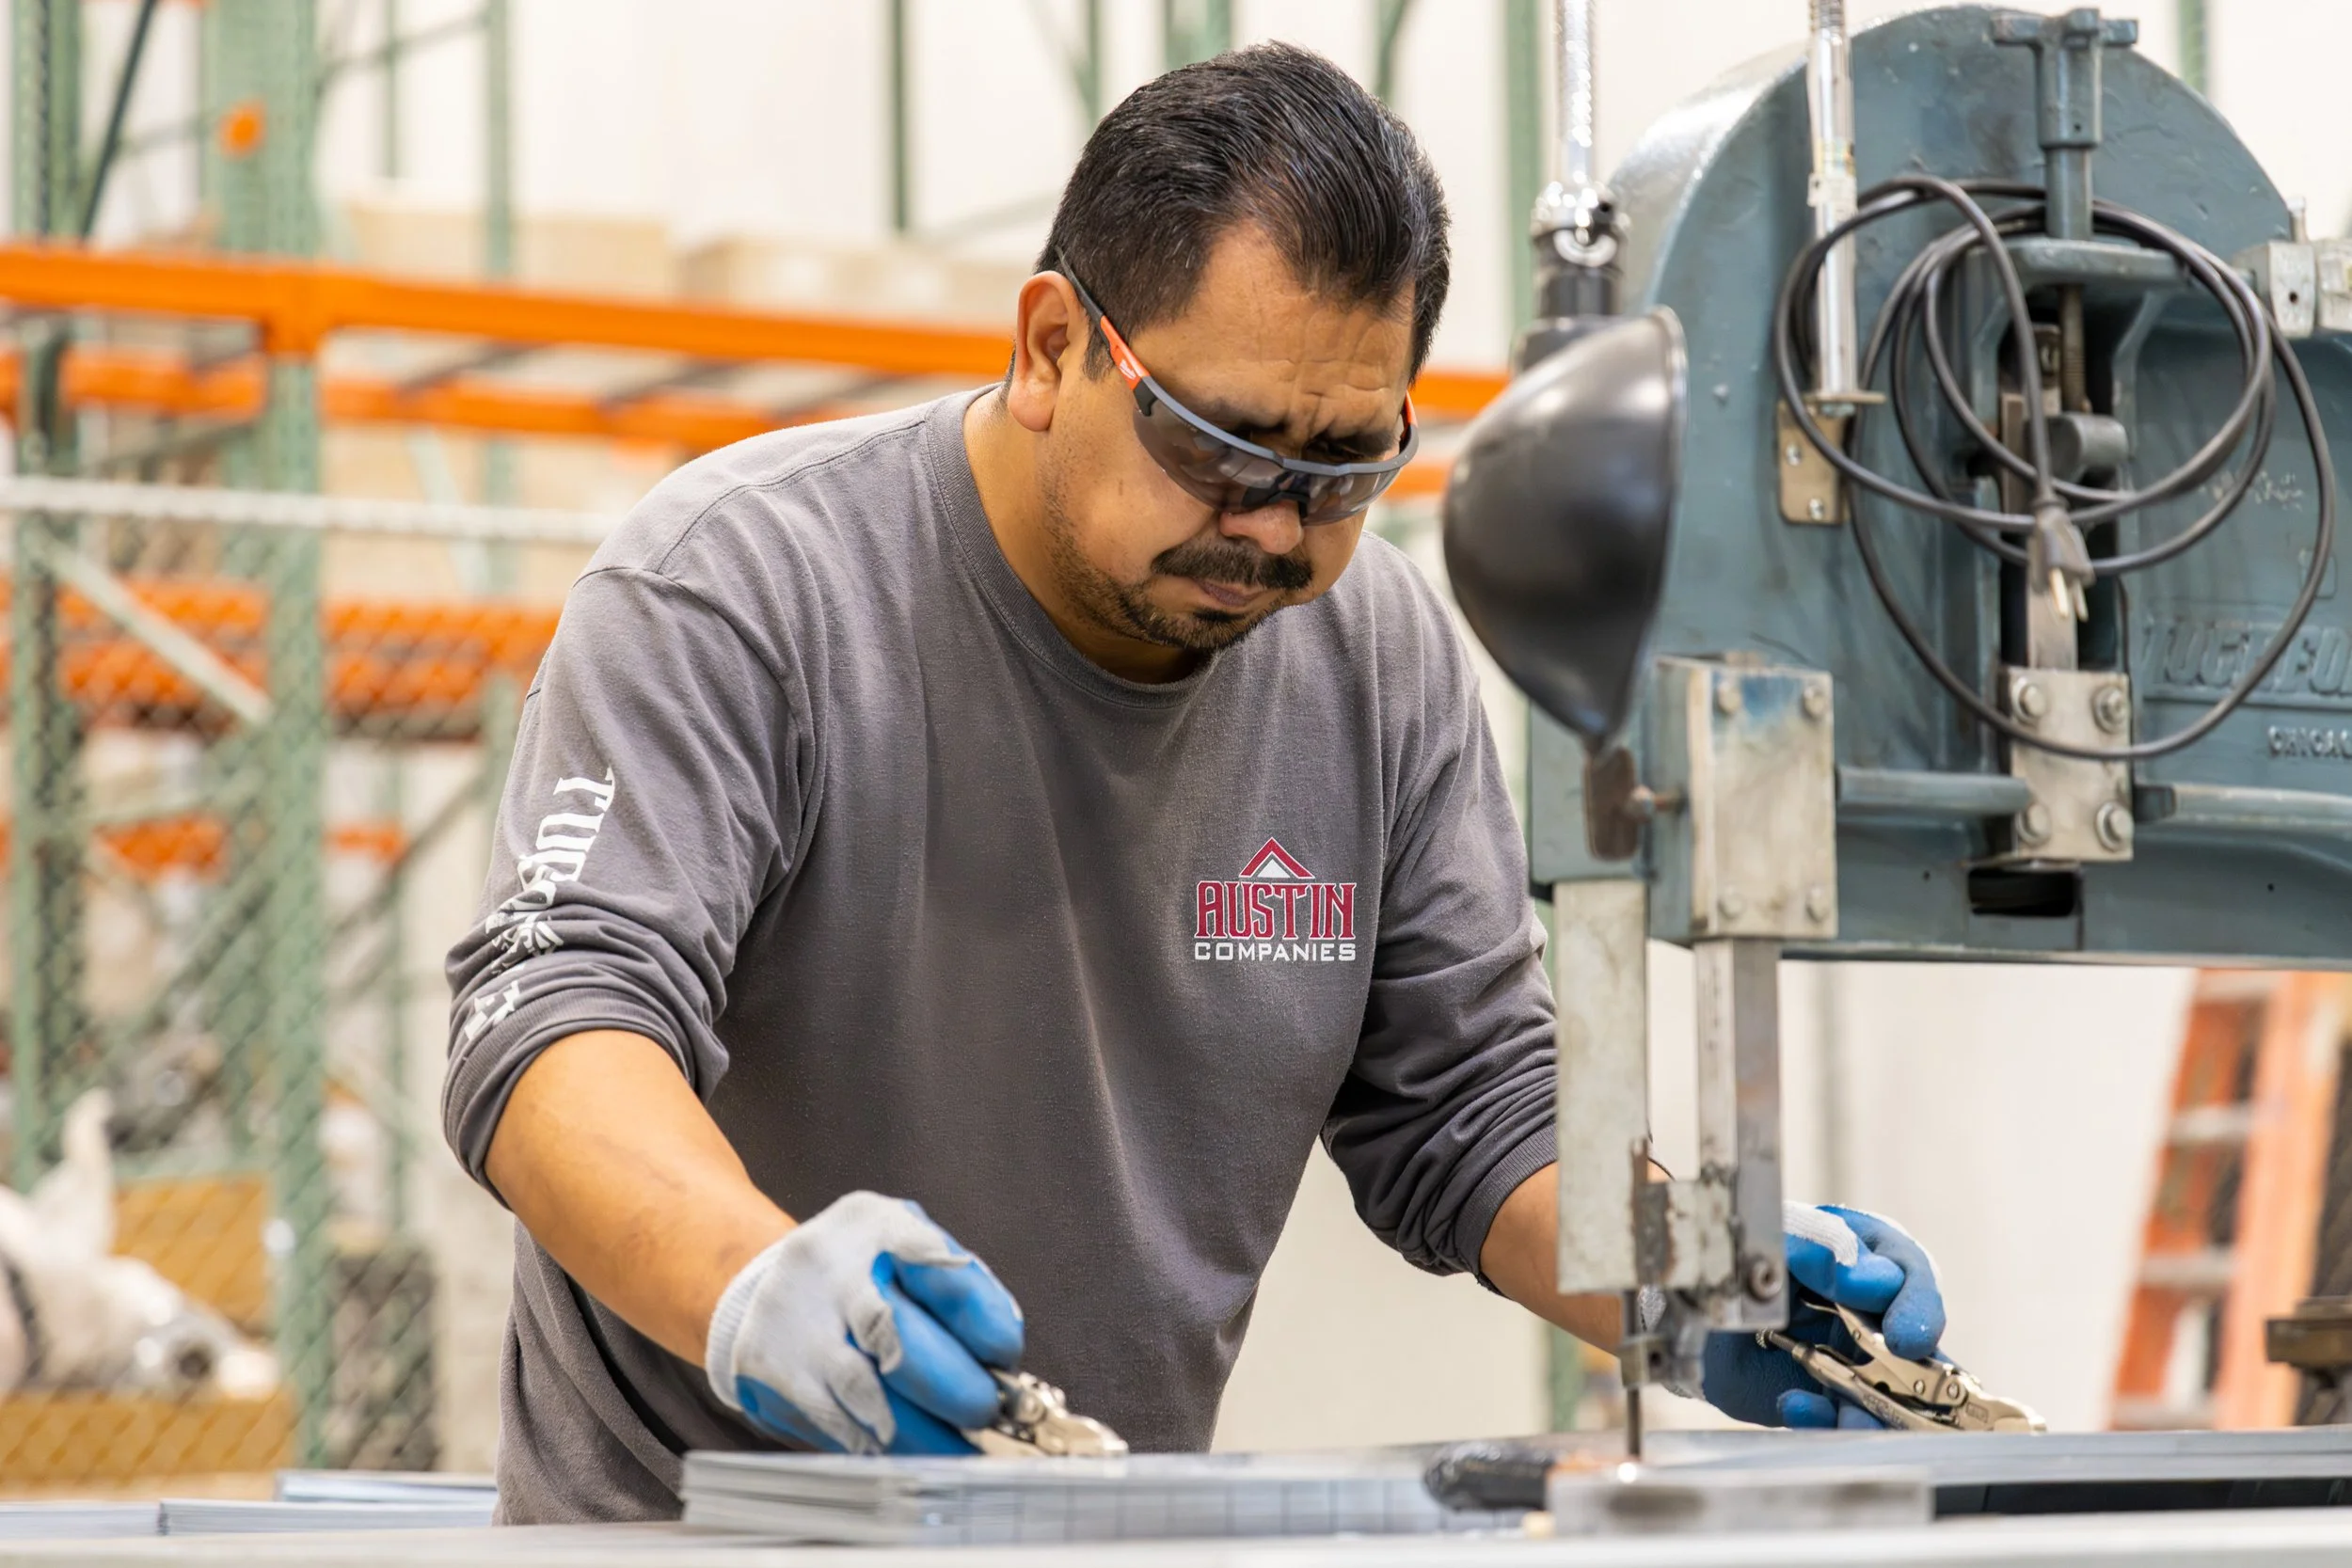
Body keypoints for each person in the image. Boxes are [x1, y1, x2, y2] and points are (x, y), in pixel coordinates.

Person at [443, 42, 1948, 1524]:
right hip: (685, 1538)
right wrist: (749, 1284)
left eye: (1347, 464)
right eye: (1223, 444)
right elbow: (556, 1024)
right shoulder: (743, 589)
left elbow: (1476, 1103)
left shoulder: (1375, 657)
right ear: (1050, 349)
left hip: (1102, 1529)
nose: (1281, 529)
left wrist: (1695, 1265)